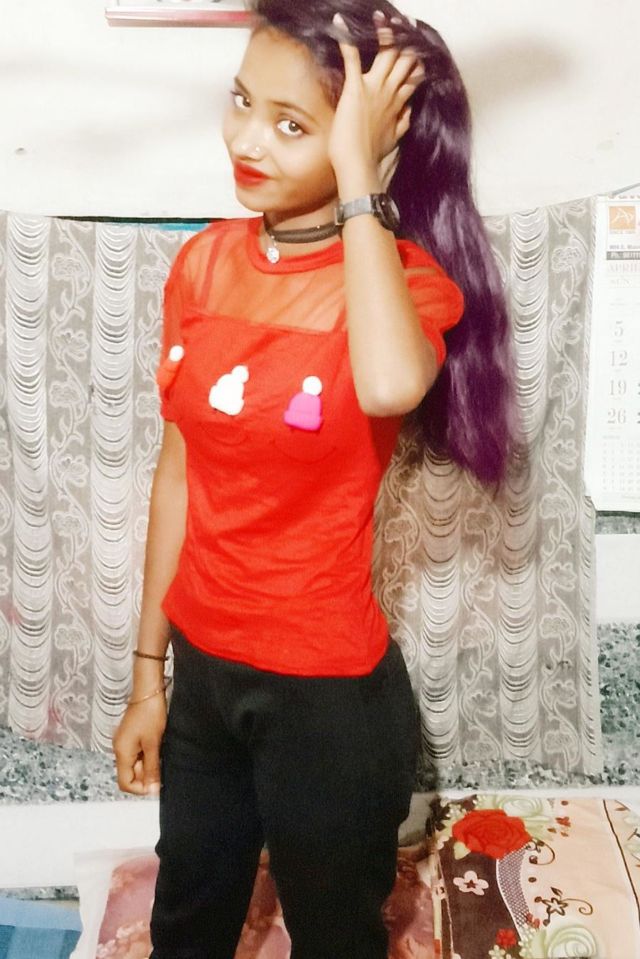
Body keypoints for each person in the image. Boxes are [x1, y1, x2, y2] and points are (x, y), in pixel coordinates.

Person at [113, 2, 516, 957]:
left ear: (366, 140)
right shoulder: (203, 264)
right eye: (241, 101)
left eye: (292, 124)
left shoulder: (404, 284)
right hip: (205, 680)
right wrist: (147, 676)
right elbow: (179, 471)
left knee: (335, 935)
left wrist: (360, 182)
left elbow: (387, 384)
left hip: (329, 700)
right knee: (186, 922)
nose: (246, 140)